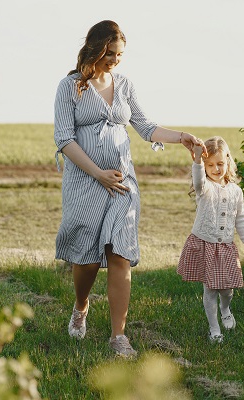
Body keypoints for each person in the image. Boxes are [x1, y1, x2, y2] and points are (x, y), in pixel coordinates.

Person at [53, 20, 205, 357]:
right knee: (87, 259)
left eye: (120, 54)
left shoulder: (125, 85)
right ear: (95, 48)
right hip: (84, 181)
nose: (115, 60)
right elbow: (64, 139)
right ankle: (81, 307)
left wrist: (181, 137)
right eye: (110, 53)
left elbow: (146, 126)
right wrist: (97, 174)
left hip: (122, 182)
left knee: (119, 252)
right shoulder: (71, 87)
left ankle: (118, 336)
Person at [177, 136, 244, 343]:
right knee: (210, 289)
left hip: (226, 247)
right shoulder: (205, 188)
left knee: (227, 290)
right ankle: (214, 329)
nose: (216, 169)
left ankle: (225, 308)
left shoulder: (236, 191)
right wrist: (196, 159)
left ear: (228, 161)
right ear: (205, 166)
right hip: (205, 244)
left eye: (220, 163)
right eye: (210, 165)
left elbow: (241, 219)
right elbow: (198, 180)